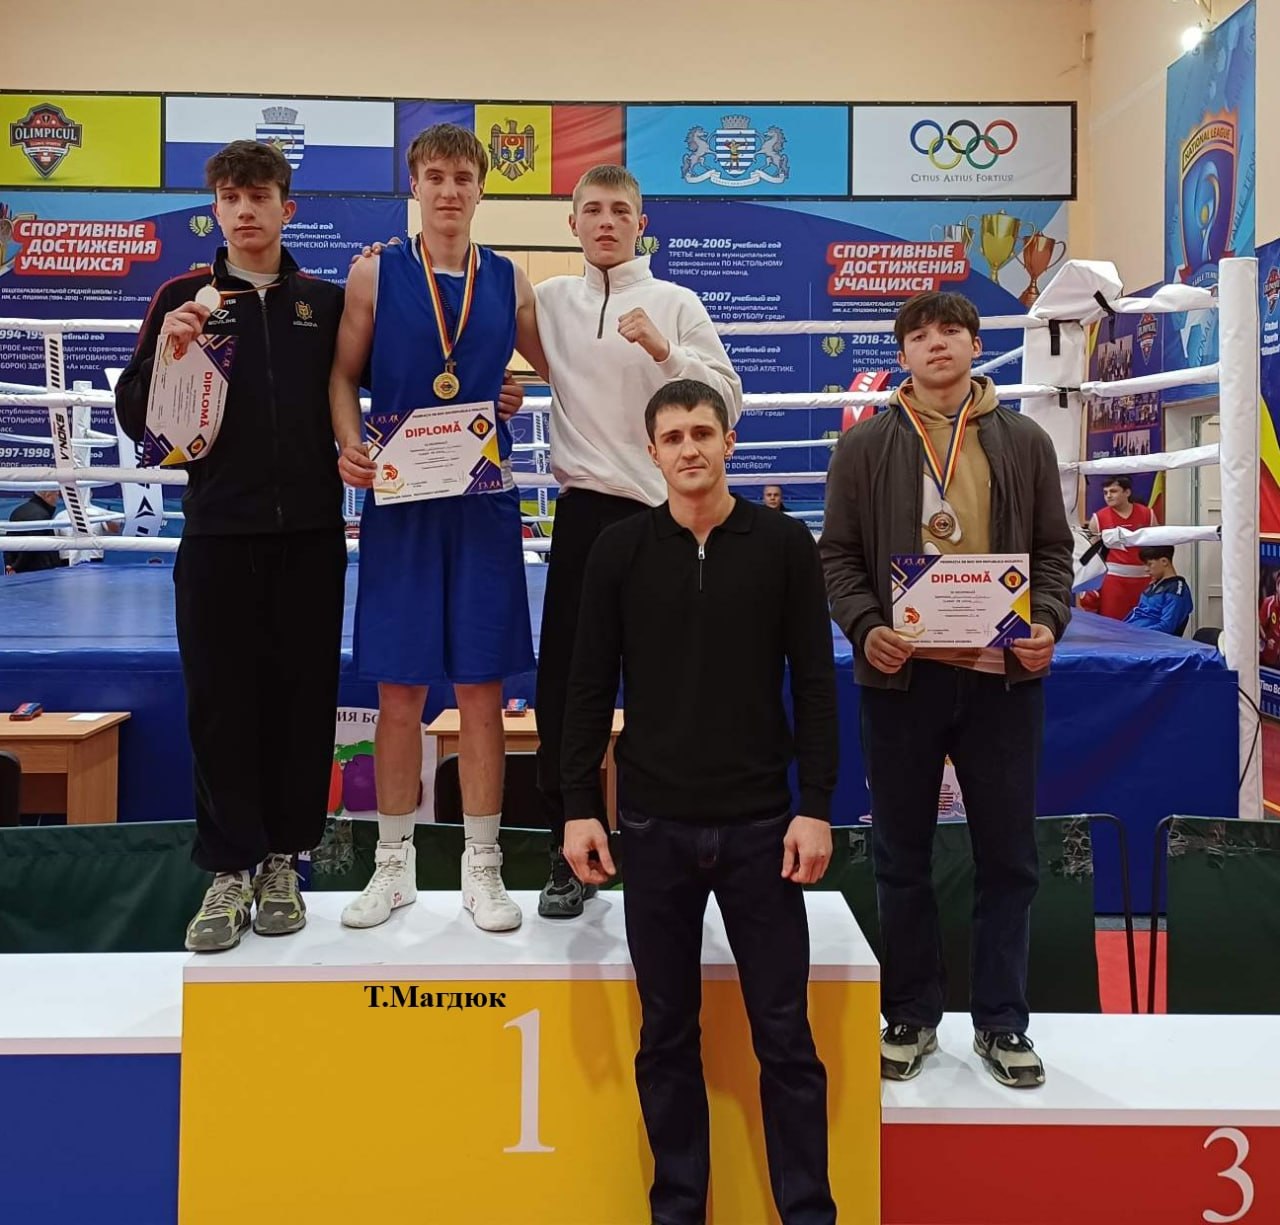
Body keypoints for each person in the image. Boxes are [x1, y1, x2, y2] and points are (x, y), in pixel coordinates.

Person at [561, 378, 837, 1225]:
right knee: (666, 1037)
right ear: (651, 451)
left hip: (763, 827)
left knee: (786, 1038)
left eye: (703, 433)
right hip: (653, 827)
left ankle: (808, 1213)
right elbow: (586, 685)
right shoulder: (619, 551)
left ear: (729, 443)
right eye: (674, 436)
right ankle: (678, 1210)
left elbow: (816, 683)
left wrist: (816, 803)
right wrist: (579, 803)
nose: (690, 448)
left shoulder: (784, 545)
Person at [821, 291, 1073, 1089]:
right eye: (921, 335)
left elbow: (1053, 553)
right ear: (903, 353)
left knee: (1009, 856)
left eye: (951, 331)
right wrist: (866, 626)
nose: (937, 344)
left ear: (974, 344)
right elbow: (837, 557)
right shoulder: (864, 446)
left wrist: (1048, 622)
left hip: (1001, 678)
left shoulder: (1025, 440)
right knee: (901, 853)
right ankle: (910, 1012)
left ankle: (1002, 1021)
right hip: (902, 677)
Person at [115, 140, 348, 952]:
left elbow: (383, 388)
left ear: (288, 207)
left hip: (312, 536)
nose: (245, 210)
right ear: (215, 208)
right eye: (231, 197)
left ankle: (284, 860)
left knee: (302, 702)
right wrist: (169, 354)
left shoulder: (325, 302)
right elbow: (137, 418)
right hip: (216, 534)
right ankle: (227, 867)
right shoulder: (182, 296)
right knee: (219, 706)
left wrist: (496, 392)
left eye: (260, 196)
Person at [331, 123, 546, 933]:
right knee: (399, 690)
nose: (449, 190)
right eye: (435, 176)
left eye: (463, 176)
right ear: (414, 185)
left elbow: (560, 365)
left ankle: (482, 868)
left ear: (482, 188)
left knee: (484, 690)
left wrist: (517, 388)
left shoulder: (511, 279)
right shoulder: (374, 272)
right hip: (401, 501)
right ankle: (393, 866)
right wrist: (348, 444)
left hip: (481, 502)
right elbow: (342, 375)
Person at [532, 164, 742, 919]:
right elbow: (477, 315)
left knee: (675, 686)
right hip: (583, 516)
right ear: (573, 224)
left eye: (620, 210)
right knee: (567, 690)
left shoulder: (676, 303)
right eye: (592, 210)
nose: (606, 222)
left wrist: (665, 352)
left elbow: (730, 401)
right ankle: (566, 848)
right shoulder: (550, 300)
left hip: (664, 518)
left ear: (640, 223)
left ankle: (678, 849)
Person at [1082, 476, 1156, 619]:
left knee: (1143, 621)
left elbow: (1157, 549)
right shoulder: (1098, 518)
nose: (1108, 496)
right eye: (1105, 492)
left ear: (1127, 492)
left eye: (1113, 491)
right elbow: (1091, 555)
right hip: (1112, 581)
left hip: (1144, 579)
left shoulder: (1148, 514)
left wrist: (1157, 576)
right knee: (1111, 622)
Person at [1125, 546, 1193, 636]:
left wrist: (1134, 633)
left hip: (1147, 639)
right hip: (1131, 633)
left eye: (1149, 564)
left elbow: (1167, 627)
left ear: (1164, 561)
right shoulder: (1152, 586)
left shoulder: (1175, 591)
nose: (1146, 569)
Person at [4, 489, 65, 574]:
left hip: (21, 569)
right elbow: (32, 547)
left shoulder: (18, 511)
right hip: (39, 572)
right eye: (56, 495)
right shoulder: (41, 515)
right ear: (48, 495)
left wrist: (10, 565)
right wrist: (16, 566)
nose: (57, 499)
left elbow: (8, 541)